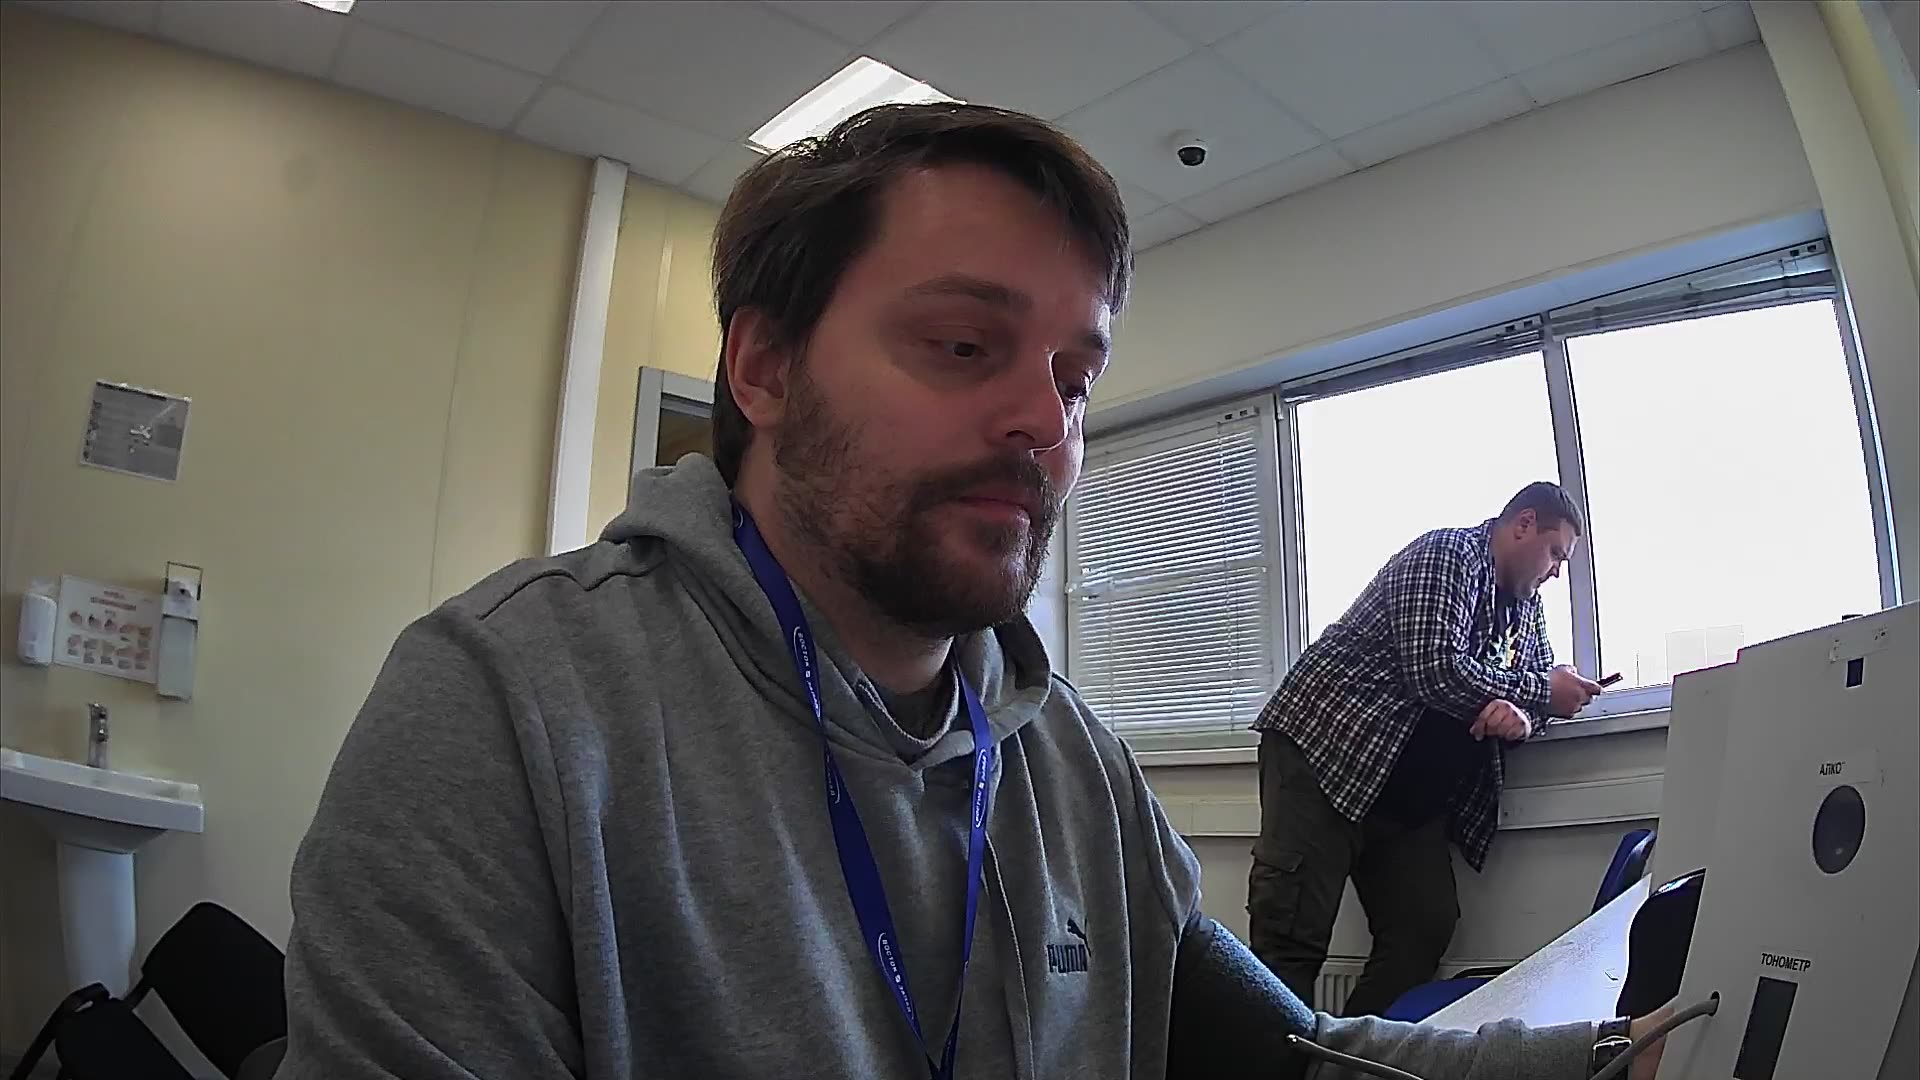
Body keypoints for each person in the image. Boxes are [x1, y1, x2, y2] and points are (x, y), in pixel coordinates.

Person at [277, 105, 1666, 1079]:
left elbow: (1290, 1055)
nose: (1044, 423)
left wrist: (1611, 1059)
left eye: (1075, 377)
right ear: (763, 369)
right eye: (961, 345)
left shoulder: (1073, 765)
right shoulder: (507, 710)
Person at [1248, 483, 1605, 1018]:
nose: (1556, 572)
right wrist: (1538, 693)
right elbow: (1436, 670)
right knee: (1291, 937)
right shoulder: (1448, 555)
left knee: (1424, 926)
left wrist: (1525, 716)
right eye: (1556, 553)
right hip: (1329, 755)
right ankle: (1266, 1055)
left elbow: (1535, 689)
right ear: (1524, 524)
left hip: (1405, 798)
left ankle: (1342, 1058)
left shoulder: (1525, 610)